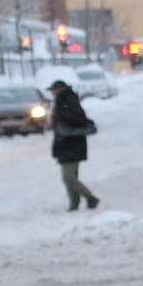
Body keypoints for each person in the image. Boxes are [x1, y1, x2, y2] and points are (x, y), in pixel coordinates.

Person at [48, 78, 100, 212]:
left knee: (68, 178)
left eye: (53, 90)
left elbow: (77, 119)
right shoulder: (65, 101)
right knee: (70, 178)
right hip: (67, 144)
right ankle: (74, 204)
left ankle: (90, 197)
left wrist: (63, 126)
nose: (52, 92)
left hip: (71, 144)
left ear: (60, 89)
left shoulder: (67, 101)